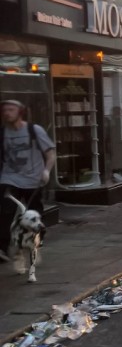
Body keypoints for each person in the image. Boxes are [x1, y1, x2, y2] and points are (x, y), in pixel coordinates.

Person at [0, 100, 56, 260]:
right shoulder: (3, 132)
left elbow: (50, 152)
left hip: (33, 178)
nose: (7, 113)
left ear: (20, 112)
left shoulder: (34, 130)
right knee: (6, 210)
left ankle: (38, 237)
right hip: (10, 177)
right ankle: (2, 247)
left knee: (34, 210)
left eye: (11, 110)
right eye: (4, 110)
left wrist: (46, 171)